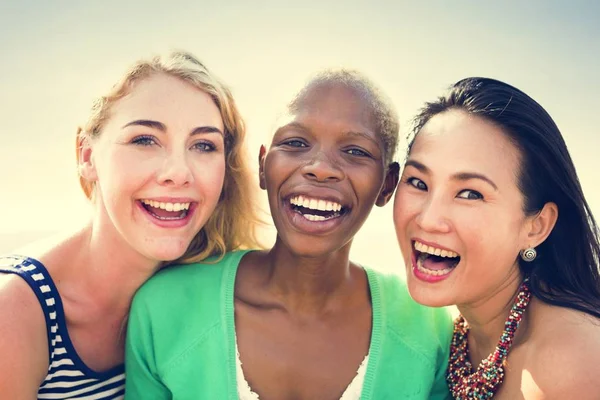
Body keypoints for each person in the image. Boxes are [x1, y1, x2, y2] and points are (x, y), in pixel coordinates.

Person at [125, 70, 453, 399]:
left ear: (387, 185)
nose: (320, 167)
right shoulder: (163, 309)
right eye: (295, 143)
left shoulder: (429, 329)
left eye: (355, 151)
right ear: (264, 166)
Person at [0, 51, 260, 399]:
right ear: (87, 156)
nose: (179, 172)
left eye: (203, 145)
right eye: (144, 140)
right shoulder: (15, 313)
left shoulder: (215, 295)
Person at [393, 77, 600, 399]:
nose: (428, 219)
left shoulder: (571, 365)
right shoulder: (452, 335)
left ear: (536, 226)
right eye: (418, 183)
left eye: (470, 193)